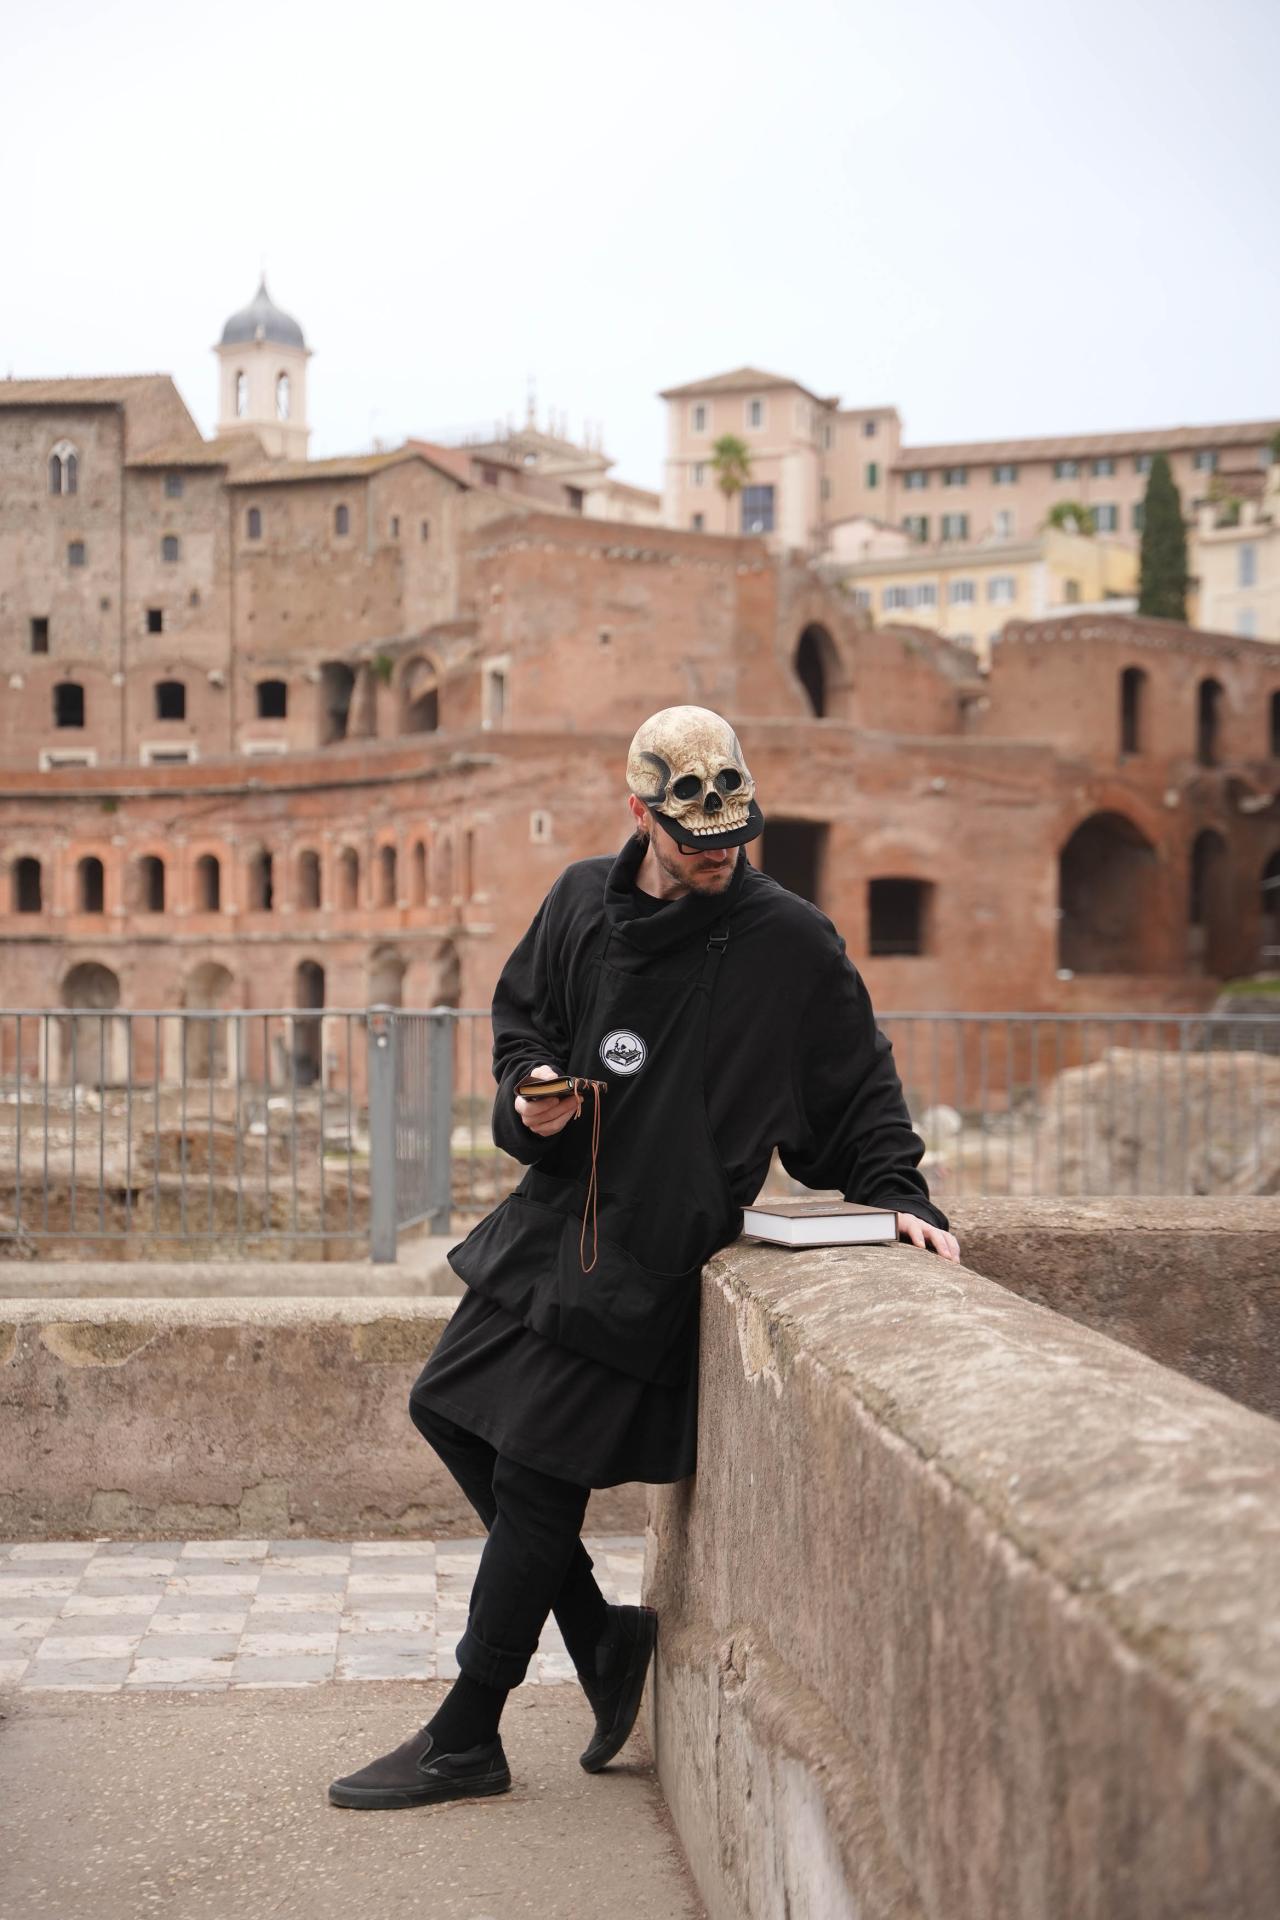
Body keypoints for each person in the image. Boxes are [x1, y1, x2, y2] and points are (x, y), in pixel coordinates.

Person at [329, 704, 958, 1813]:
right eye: (691, 840)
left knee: (532, 1480)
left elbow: (857, 1084)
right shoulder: (578, 897)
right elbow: (522, 1023)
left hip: (658, 1250)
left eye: (731, 839)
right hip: (553, 1216)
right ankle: (604, 1643)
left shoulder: (788, 942)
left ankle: (464, 1736)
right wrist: (531, 1098)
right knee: (443, 1407)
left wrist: (897, 1196)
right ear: (639, 814)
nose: (715, 856)